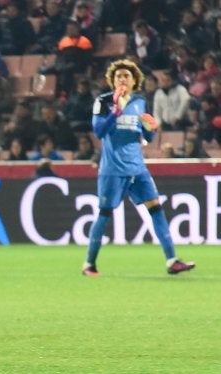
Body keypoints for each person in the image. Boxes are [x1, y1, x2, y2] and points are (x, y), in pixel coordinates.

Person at [82, 59, 196, 277]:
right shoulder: (103, 101)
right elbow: (98, 132)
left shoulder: (140, 103)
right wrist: (116, 112)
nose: (122, 79)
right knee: (105, 213)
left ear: (134, 81)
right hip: (113, 169)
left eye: (126, 76)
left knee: (156, 208)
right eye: (118, 76)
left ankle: (172, 260)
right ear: (112, 81)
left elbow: (144, 136)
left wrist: (151, 130)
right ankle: (89, 264)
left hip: (137, 167)